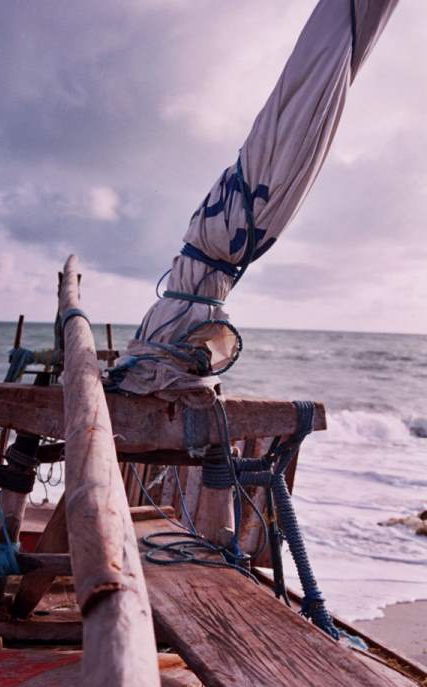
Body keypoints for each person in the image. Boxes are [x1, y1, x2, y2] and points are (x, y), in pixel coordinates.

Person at [110, 0, 399, 407]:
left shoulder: (234, 230)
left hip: (231, 230)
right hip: (232, 229)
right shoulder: (237, 224)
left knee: (308, 86)